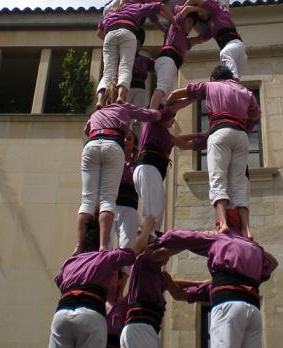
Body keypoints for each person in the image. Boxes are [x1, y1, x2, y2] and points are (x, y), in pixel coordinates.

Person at [37, 216, 156, 348]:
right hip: (89, 314)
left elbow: (59, 279)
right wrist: (147, 228)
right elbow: (134, 250)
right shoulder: (104, 259)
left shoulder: (69, 262)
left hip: (62, 313)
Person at [166, 65, 260, 239]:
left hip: (220, 132)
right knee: (239, 182)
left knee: (218, 179)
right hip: (240, 136)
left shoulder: (210, 86)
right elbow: (255, 115)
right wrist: (245, 128)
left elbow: (176, 94)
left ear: (213, 78)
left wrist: (167, 107)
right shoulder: (245, 91)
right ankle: (247, 229)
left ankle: (223, 223)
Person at [74, 82, 167, 256]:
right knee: (107, 200)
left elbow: (87, 129)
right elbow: (149, 114)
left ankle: (79, 245)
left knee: (87, 200)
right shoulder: (123, 106)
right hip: (111, 145)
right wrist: (163, 113)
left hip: (92, 144)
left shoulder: (98, 112)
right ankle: (103, 245)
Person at [96, 0, 175, 105]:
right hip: (127, 30)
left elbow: (155, 20)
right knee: (125, 68)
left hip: (110, 31)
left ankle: (100, 101)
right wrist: (174, 22)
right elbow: (160, 7)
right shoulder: (139, 5)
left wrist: (165, 31)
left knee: (108, 71)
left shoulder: (113, 13)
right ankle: (120, 97)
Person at [133, 106, 203, 238]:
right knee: (152, 210)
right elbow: (180, 141)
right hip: (148, 168)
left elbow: (182, 143)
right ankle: (145, 238)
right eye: (172, 116)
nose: (173, 119)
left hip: (149, 170)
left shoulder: (163, 133)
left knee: (157, 208)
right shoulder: (153, 123)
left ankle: (149, 236)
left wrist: (201, 136)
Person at [149, 6, 204, 109]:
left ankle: (158, 116)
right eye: (189, 21)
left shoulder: (185, 41)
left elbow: (200, 39)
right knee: (162, 87)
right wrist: (201, 8)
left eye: (193, 24)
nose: (191, 26)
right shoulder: (176, 27)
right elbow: (187, 9)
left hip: (172, 65)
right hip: (167, 60)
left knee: (166, 97)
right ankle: (151, 112)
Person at [180, 0, 247, 79]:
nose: (200, 13)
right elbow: (200, 39)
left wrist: (182, 8)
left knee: (225, 54)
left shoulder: (216, 10)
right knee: (230, 79)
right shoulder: (211, 28)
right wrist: (181, 41)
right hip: (238, 54)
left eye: (200, 8)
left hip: (234, 44)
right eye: (198, 12)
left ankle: (234, 81)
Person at [127, 28, 155, 109]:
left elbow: (156, 65)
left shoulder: (144, 60)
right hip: (126, 87)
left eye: (137, 44)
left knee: (138, 111)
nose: (135, 46)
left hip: (140, 88)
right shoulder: (122, 58)